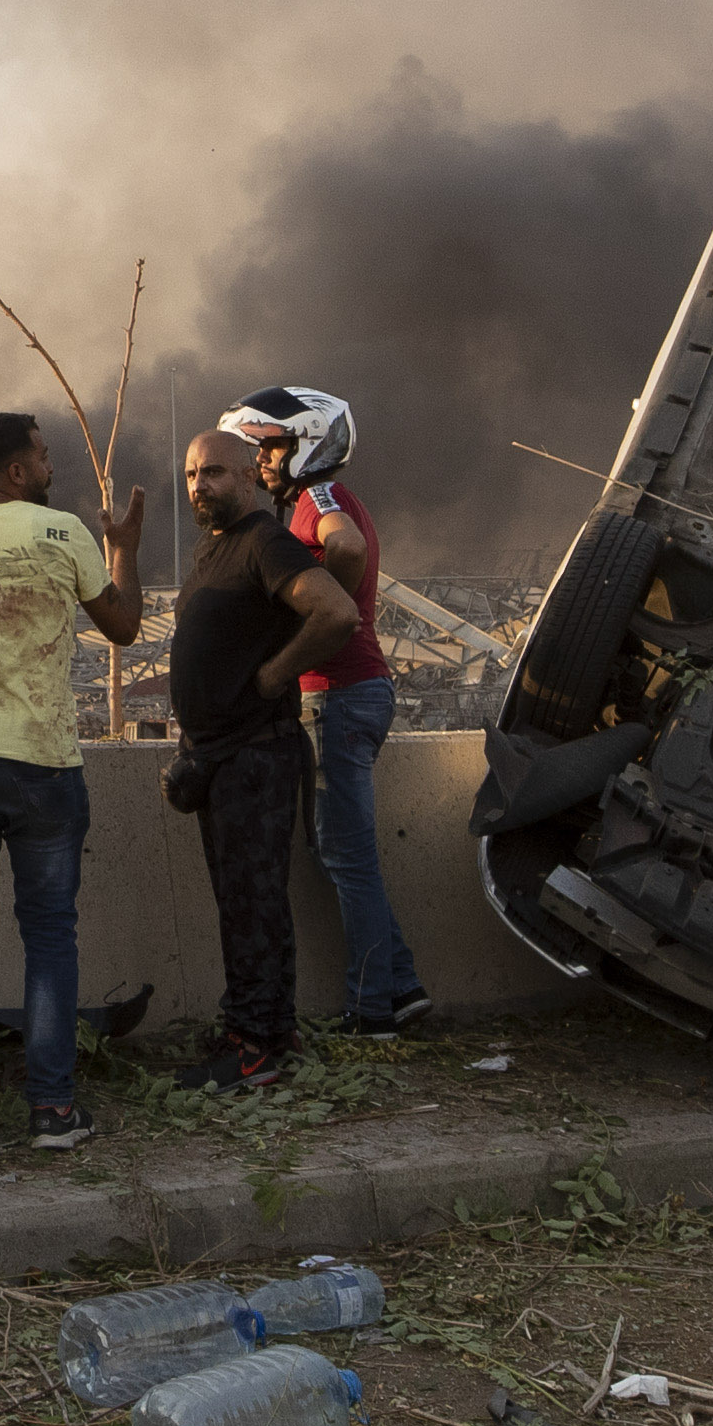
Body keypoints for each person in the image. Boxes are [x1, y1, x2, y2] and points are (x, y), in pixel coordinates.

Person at [0, 411, 147, 1157]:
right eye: (41, 458)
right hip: (41, 762)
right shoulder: (61, 530)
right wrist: (123, 551)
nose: (49, 468)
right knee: (48, 937)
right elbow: (126, 626)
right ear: (16, 471)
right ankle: (52, 1111)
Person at [163, 424, 354, 1095]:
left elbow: (335, 613)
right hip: (222, 756)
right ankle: (269, 1031)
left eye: (214, 471)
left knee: (251, 902)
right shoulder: (220, 548)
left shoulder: (266, 541)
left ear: (250, 474)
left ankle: (249, 1049)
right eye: (191, 474)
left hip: (256, 755)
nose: (200, 485)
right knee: (250, 901)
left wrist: (274, 678)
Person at [227, 385, 422, 1034]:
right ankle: (400, 986)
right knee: (343, 854)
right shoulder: (330, 499)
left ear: (309, 445)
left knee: (346, 858)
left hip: (337, 693)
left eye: (272, 446)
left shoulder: (319, 500)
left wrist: (311, 619)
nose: (261, 461)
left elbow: (348, 551)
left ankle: (370, 1010)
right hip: (353, 690)